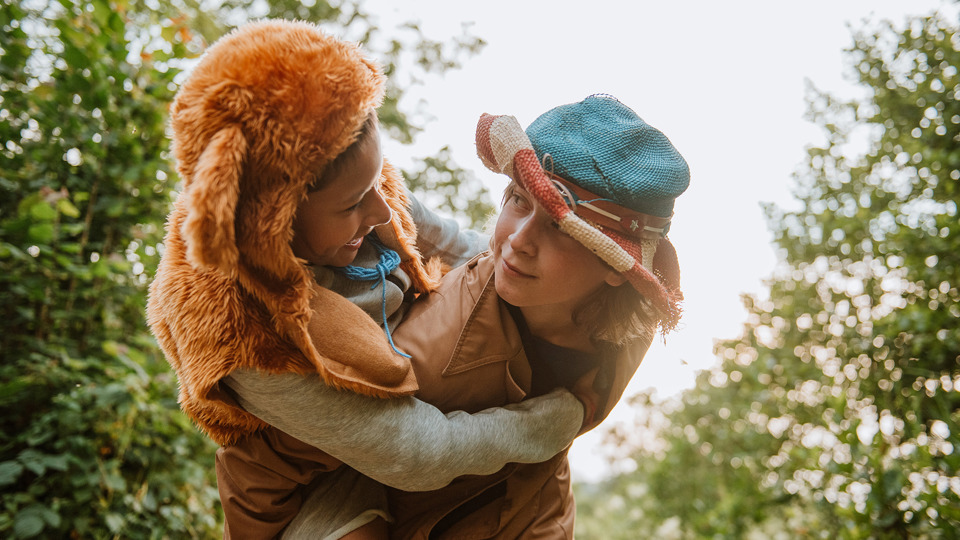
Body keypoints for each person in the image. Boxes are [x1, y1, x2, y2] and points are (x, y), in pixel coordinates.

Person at [146, 20, 585, 540]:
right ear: (272, 221)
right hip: (315, 476)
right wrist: (546, 425)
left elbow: (460, 244)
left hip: (389, 400)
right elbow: (412, 451)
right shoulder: (239, 332)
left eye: (377, 181)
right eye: (353, 204)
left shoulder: (363, 179)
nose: (383, 212)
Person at [379, 95, 691, 538]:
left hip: (539, 514)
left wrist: (574, 416)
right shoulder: (424, 353)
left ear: (618, 270)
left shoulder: (631, 326)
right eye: (518, 200)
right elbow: (290, 455)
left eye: (562, 228)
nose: (518, 241)